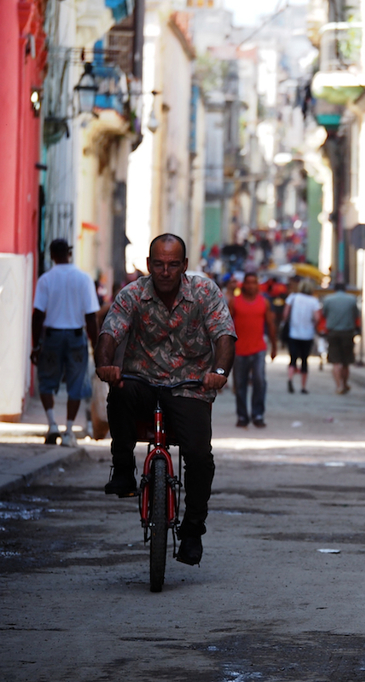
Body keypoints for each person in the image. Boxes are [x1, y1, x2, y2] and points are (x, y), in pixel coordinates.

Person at [95, 234, 236, 566]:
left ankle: (192, 530)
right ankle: (124, 469)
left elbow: (225, 336)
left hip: (189, 387)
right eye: (158, 264)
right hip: (142, 380)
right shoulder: (132, 294)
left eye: (173, 264)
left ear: (184, 266)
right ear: (148, 265)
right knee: (120, 391)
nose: (165, 271)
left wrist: (218, 370)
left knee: (199, 457)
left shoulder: (204, 292)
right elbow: (109, 333)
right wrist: (105, 364)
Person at [30, 239, 100, 447]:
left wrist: (36, 345)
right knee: (75, 383)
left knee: (46, 381)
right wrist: (96, 346)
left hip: (52, 337)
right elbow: (91, 317)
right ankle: (69, 431)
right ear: (69, 253)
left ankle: (52, 424)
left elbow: (38, 315)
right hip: (76, 336)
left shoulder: (46, 279)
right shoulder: (84, 279)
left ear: (51, 255)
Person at [228, 272, 277, 428]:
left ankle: (258, 414)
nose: (250, 286)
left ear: (257, 285)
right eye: (248, 283)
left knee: (260, 381)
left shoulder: (264, 303)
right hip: (239, 350)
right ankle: (242, 416)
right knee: (240, 384)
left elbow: (270, 325)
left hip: (258, 349)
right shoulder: (234, 303)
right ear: (244, 284)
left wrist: (274, 346)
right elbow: (227, 326)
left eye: (253, 282)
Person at [320, 283, 360, 394]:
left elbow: (324, 314)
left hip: (333, 332)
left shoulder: (328, 300)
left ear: (334, 289)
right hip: (347, 332)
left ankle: (338, 386)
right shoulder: (352, 300)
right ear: (345, 289)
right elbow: (356, 314)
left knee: (336, 362)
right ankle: (345, 383)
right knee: (346, 362)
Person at [282, 278, 320, 394]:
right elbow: (317, 318)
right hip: (307, 335)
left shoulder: (292, 298)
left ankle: (290, 378)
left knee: (293, 358)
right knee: (304, 360)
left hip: (293, 333)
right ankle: (303, 387)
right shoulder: (314, 301)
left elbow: (285, 314)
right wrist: (312, 324)